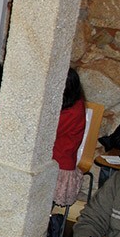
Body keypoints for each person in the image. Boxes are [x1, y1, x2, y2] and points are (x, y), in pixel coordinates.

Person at [53, 68, 87, 206]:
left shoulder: (73, 111)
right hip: (55, 161)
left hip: (60, 165)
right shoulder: (72, 105)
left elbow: (50, 131)